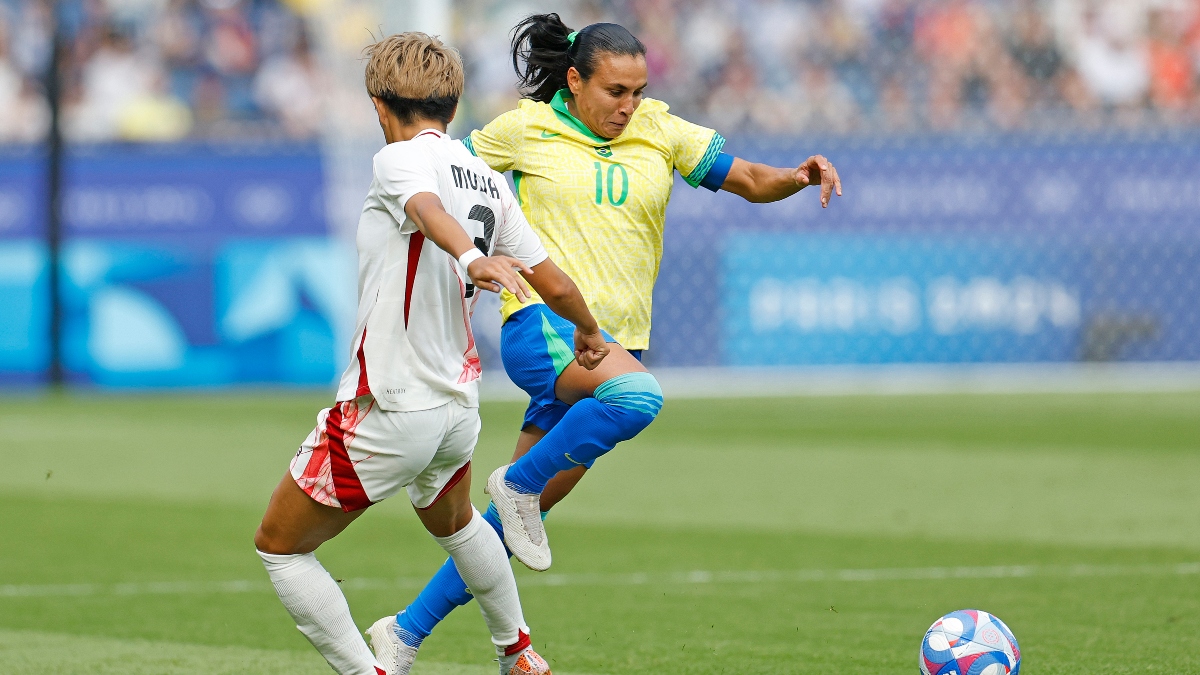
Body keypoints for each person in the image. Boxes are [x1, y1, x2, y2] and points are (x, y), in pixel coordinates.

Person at [389, 14, 843, 671]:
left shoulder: (660, 129)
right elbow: (441, 174)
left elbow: (745, 178)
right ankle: (518, 488)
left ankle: (403, 634)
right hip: (542, 327)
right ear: (573, 81)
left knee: (501, 534)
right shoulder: (524, 128)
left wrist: (797, 176)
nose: (628, 106)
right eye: (614, 91)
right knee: (637, 399)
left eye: (637, 90)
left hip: (608, 347)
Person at [251, 32, 609, 675]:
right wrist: (587, 329)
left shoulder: (396, 160)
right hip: (455, 406)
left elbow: (422, 208)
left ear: (378, 104)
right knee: (460, 524)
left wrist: (471, 258)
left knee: (280, 548)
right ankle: (519, 652)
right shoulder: (486, 179)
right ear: (454, 101)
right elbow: (550, 277)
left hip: (387, 401)